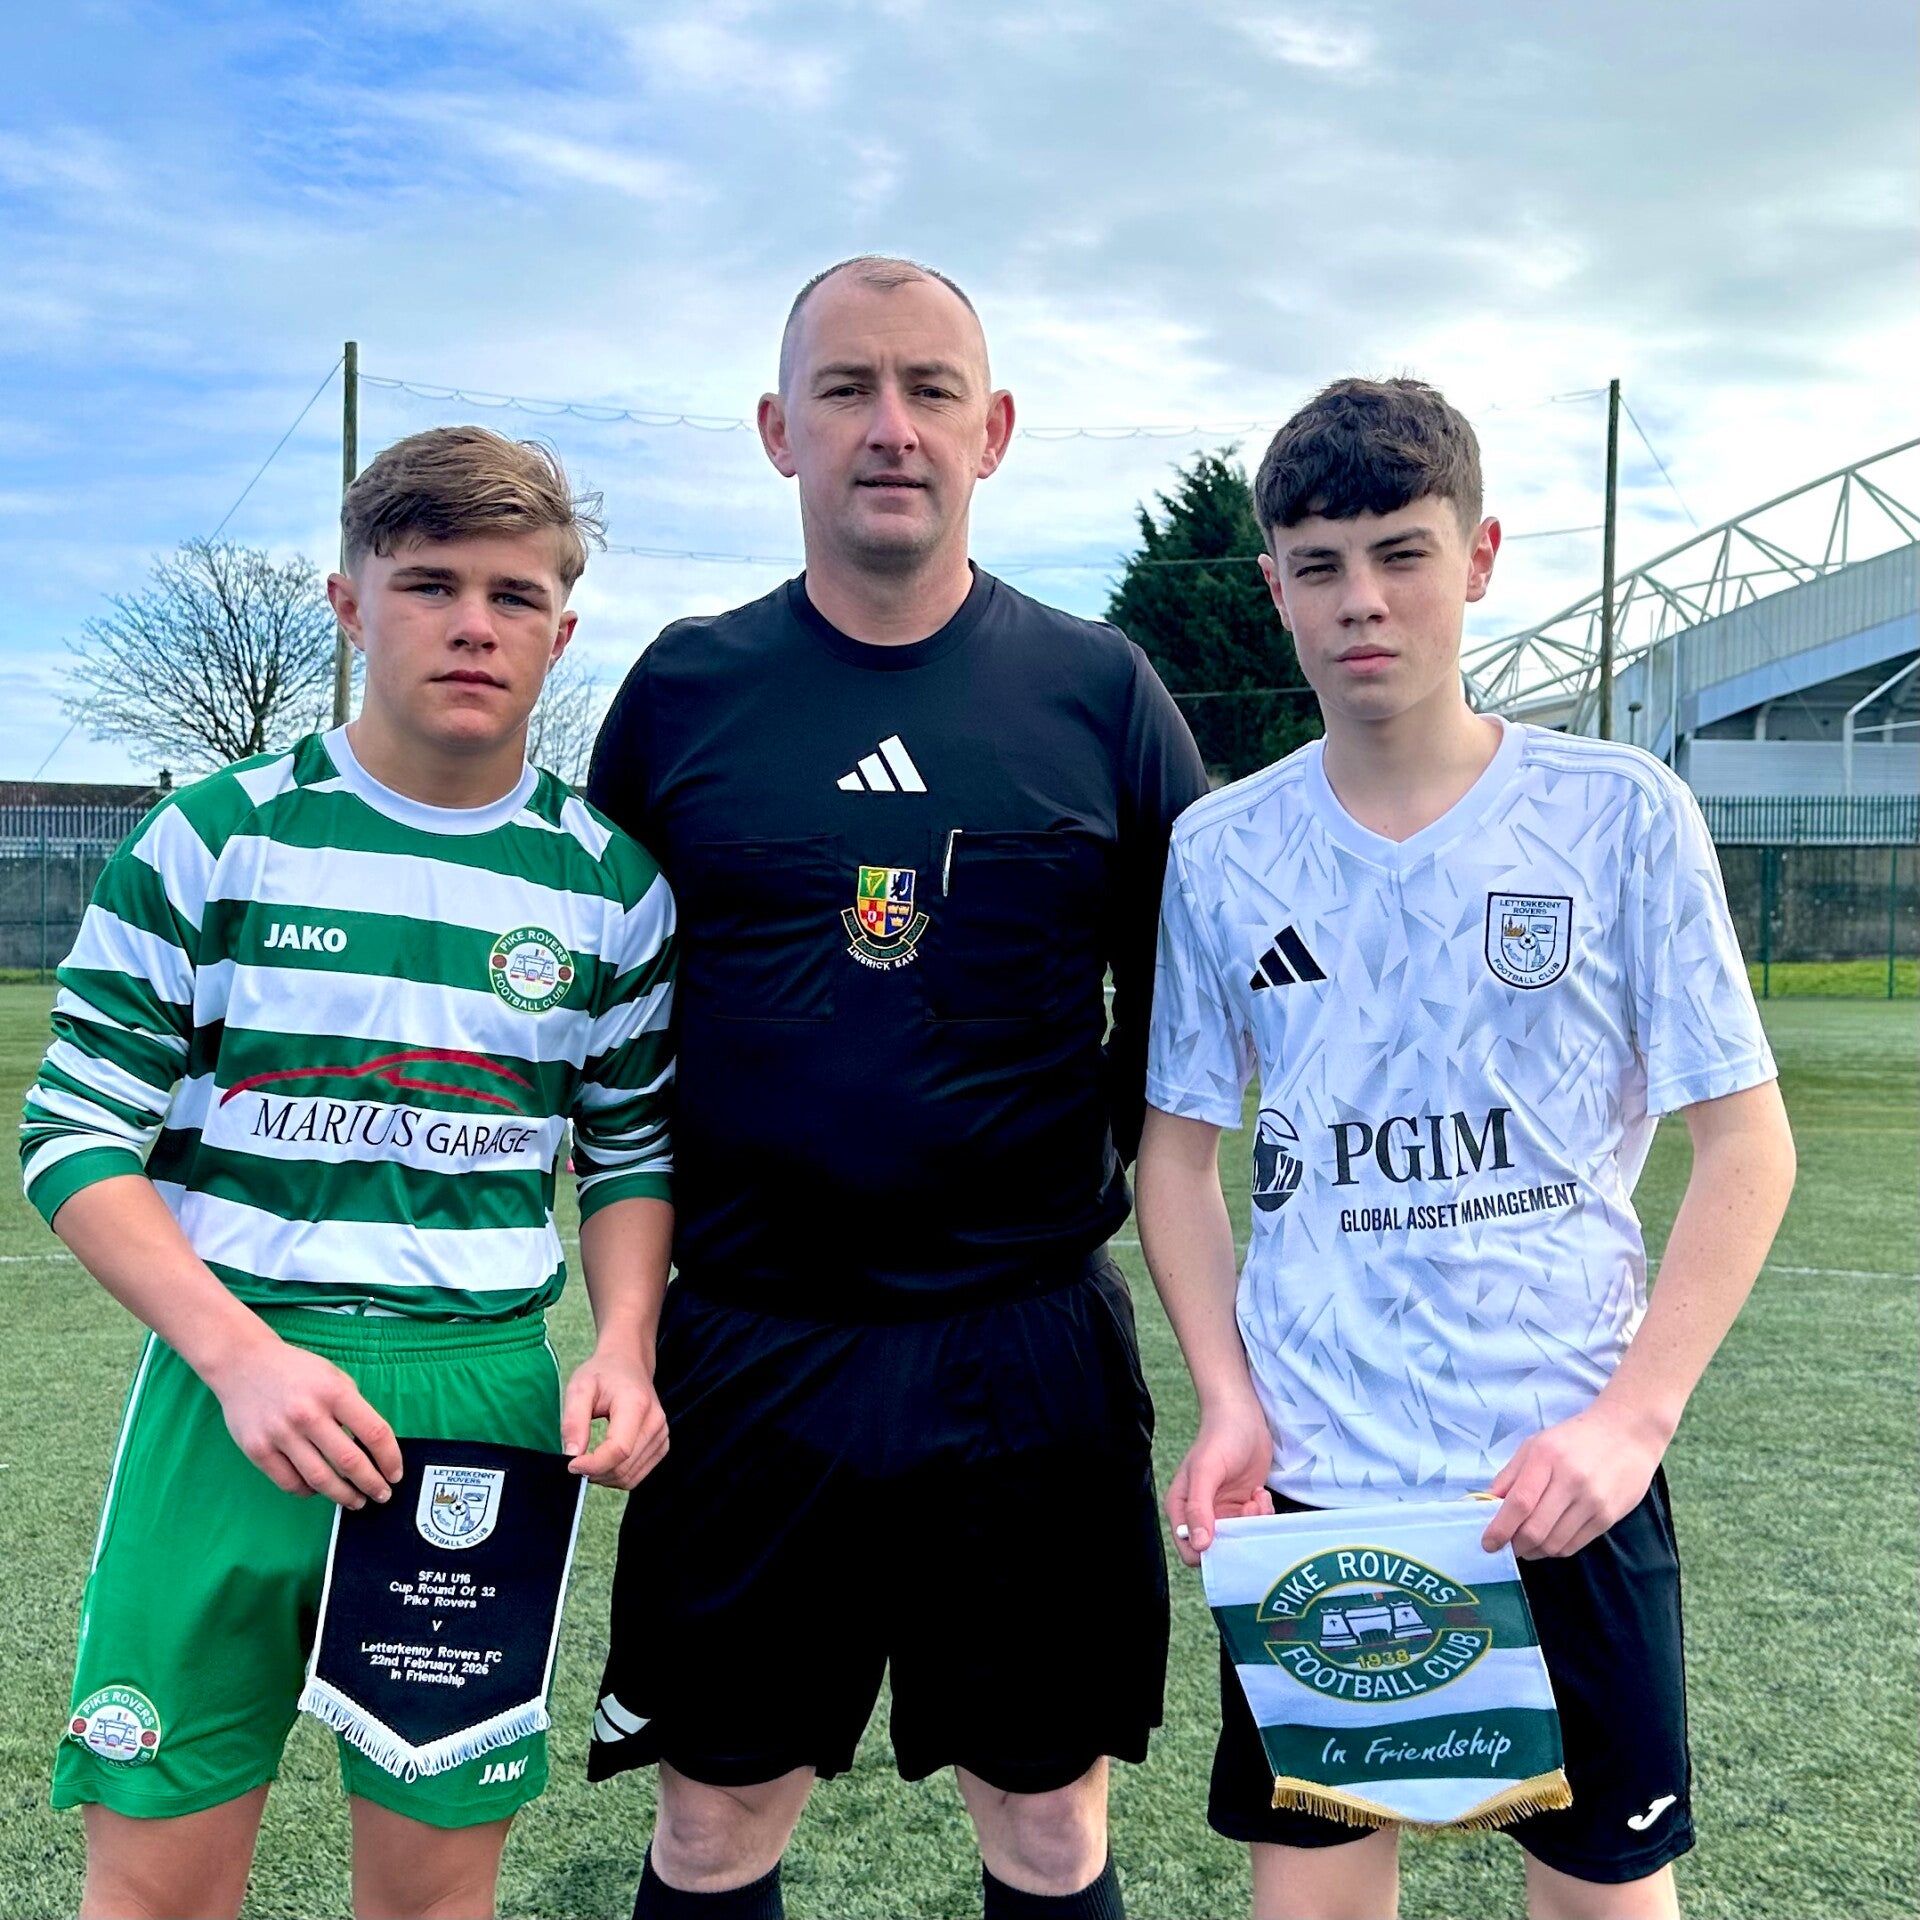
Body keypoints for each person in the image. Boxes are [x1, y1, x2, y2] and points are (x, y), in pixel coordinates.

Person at [585, 255, 1209, 1920]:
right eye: (847, 391)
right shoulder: (683, 693)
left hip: (1024, 1348)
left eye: (931, 390)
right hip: (748, 1346)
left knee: (1052, 1827)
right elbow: (610, 1033)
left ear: (992, 431)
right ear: (776, 429)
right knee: (714, 1826)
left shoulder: (1100, 693)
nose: (891, 428)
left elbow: (1188, 1045)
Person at [1138, 378, 1796, 1920]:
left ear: (1482, 553)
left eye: (1403, 552)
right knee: (1312, 1908)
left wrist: (1634, 1423)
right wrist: (1230, 1400)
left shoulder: (1621, 814)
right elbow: (1175, 1160)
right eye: (1319, 564)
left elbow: (1746, 1144)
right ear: (1274, 589)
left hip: (1556, 1476)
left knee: (1601, 1902)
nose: (1362, 599)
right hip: (1318, 1487)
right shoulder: (1223, 851)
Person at [22, 426, 678, 1920]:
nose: (471, 624)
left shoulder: (608, 886)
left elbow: (630, 1148)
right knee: (153, 1885)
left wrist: (627, 1346)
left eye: (514, 597)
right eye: (428, 583)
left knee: (434, 1899)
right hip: (231, 1389)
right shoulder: (214, 839)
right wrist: (240, 1359)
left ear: (560, 632)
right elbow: (70, 1136)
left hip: (478, 1402)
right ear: (346, 600)